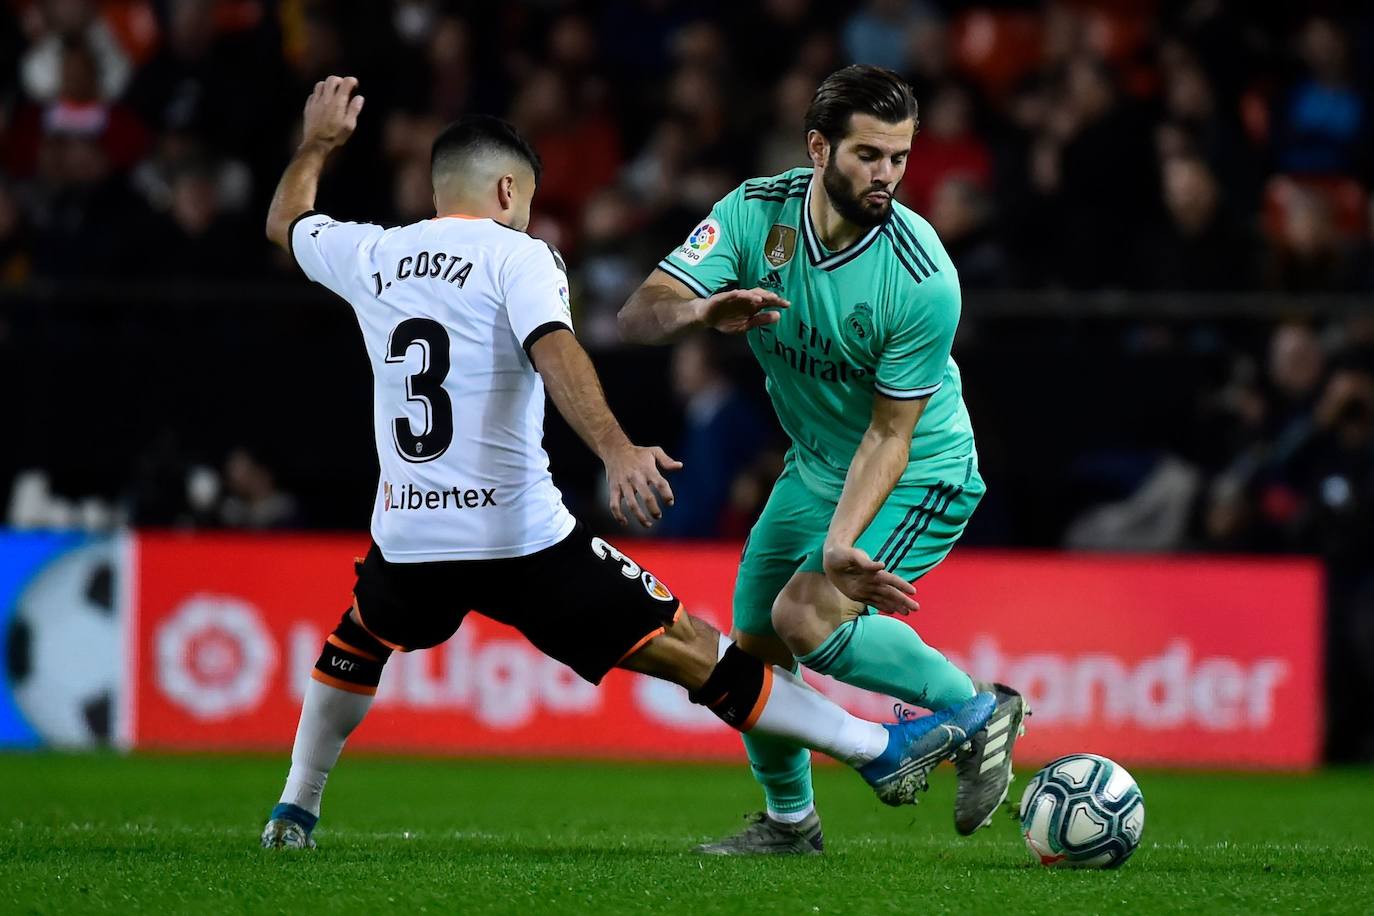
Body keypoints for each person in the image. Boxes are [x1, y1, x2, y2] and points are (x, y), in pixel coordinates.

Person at [257, 76, 994, 850]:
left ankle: (295, 808)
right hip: (522, 541)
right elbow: (558, 351)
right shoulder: (522, 256)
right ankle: (880, 751)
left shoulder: (374, 252)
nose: (887, 172)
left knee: (359, 641)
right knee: (707, 656)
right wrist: (616, 448)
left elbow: (287, 221)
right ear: (509, 189)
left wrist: (318, 144)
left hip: (408, 538)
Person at [618, 64, 1027, 854]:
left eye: (900, 158)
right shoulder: (752, 214)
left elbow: (890, 434)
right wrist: (702, 308)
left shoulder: (921, 276)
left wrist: (841, 546)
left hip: (917, 469)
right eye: (870, 155)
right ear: (817, 147)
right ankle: (789, 823)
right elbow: (638, 316)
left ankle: (977, 711)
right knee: (754, 648)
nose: (888, 177)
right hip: (817, 462)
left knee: (805, 615)